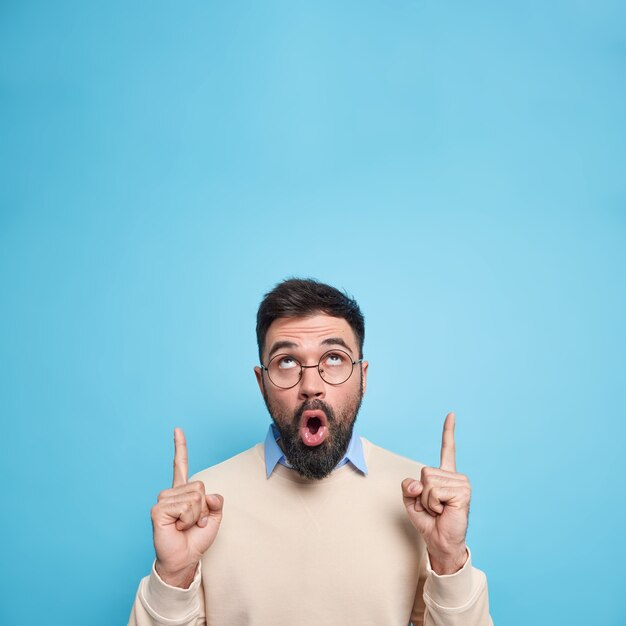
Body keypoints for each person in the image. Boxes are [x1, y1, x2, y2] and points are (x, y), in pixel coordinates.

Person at [129, 278, 492, 626]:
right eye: (287, 361)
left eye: (333, 358)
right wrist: (173, 575)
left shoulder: (418, 500)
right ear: (262, 383)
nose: (311, 385)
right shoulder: (202, 504)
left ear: (362, 377)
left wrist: (449, 560)